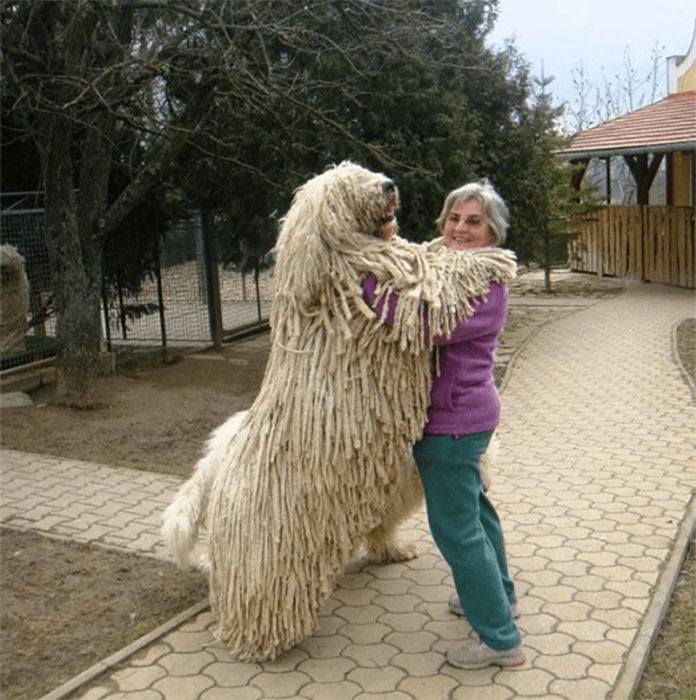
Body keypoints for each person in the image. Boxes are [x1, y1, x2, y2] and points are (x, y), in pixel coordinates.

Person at [363, 179, 524, 670]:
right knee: (476, 510)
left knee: (456, 529)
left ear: (492, 231)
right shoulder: (449, 267)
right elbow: (420, 275)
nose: (460, 228)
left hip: (453, 421)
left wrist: (365, 282)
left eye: (473, 221)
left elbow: (421, 323)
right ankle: (501, 597)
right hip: (466, 414)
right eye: (454, 218)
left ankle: (499, 639)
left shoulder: (483, 285)